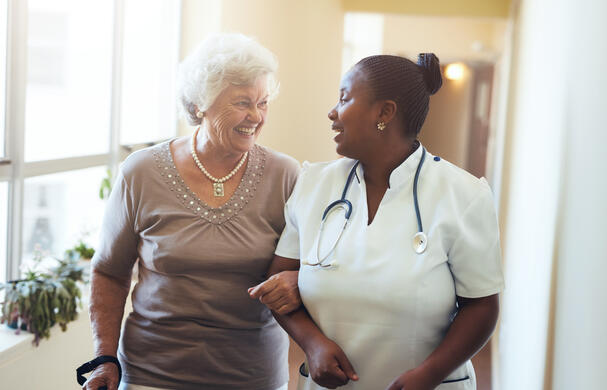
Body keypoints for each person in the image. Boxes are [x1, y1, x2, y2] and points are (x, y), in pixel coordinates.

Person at [250, 53, 504, 389]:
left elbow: (482, 306)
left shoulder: (463, 195)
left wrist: (430, 374)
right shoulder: (314, 184)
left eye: (344, 98)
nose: (332, 112)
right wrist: (312, 344)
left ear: (384, 113)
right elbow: (276, 282)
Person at [83, 33, 302, 390]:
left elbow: (311, 266)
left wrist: (297, 281)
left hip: (252, 376)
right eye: (243, 102)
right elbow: (109, 271)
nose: (256, 116)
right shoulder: (142, 172)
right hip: (150, 375)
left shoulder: (285, 175)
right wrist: (104, 357)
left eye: (263, 102)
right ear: (201, 103)